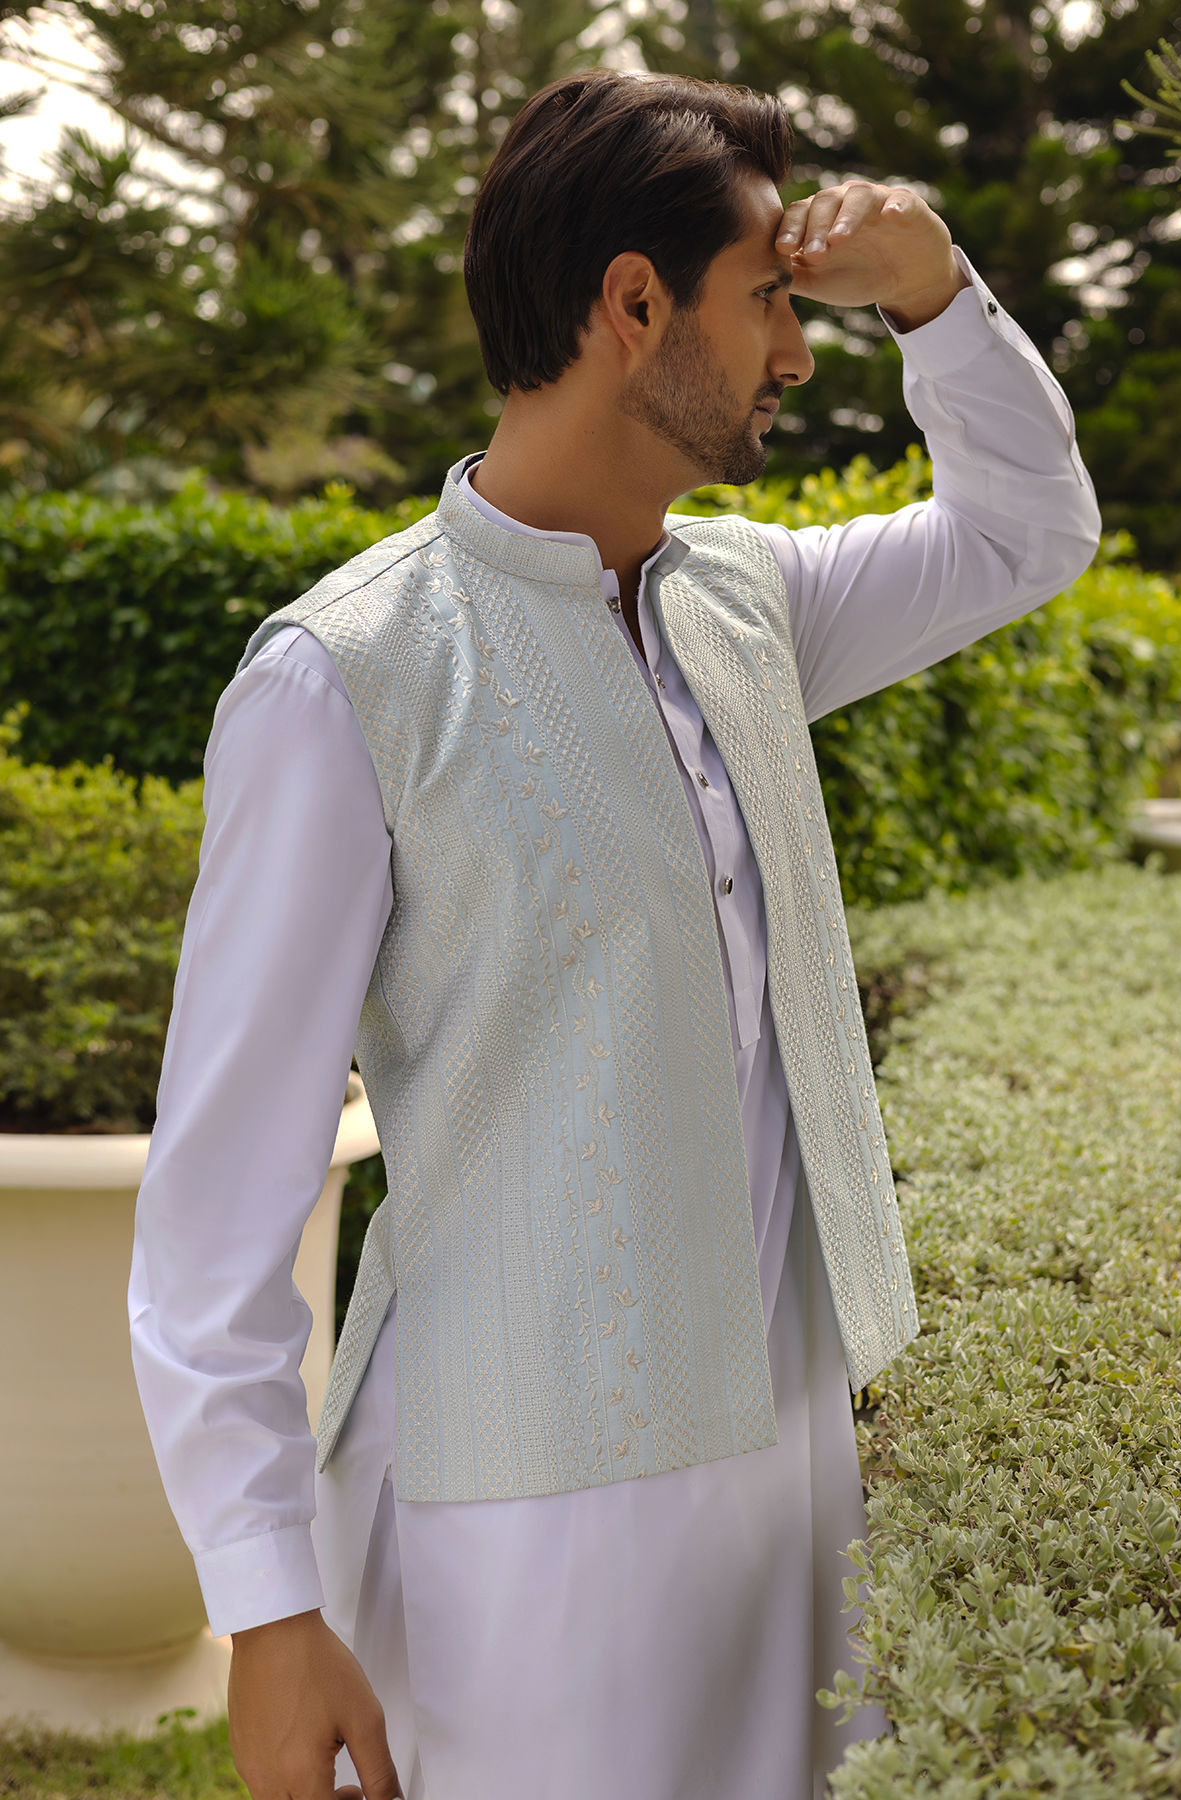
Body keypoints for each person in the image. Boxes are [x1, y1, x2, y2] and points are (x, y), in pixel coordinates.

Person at [129, 66, 1101, 1800]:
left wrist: (938, 295)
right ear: (633, 303)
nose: (797, 354)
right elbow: (216, 1220)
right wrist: (269, 1612)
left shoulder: (750, 602)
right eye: (769, 304)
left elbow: (1029, 532)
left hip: (794, 1484)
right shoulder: (345, 680)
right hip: (525, 1540)